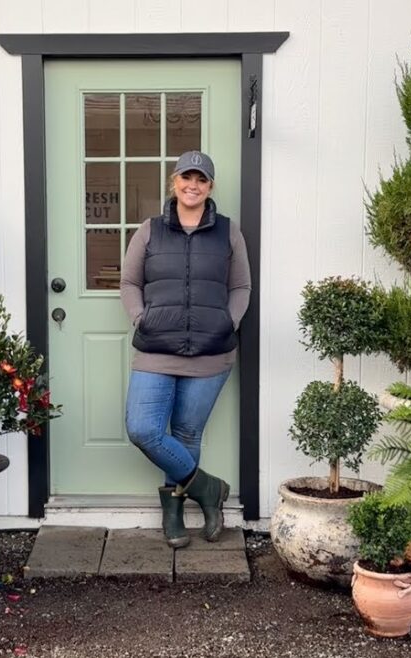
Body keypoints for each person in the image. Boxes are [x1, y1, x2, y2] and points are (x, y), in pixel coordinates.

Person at [120, 150, 251, 549]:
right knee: (144, 429)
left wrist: (228, 322)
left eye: (202, 179)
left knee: (187, 432)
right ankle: (208, 489)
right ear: (173, 182)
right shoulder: (149, 230)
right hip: (156, 348)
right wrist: (141, 318)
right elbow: (129, 283)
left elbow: (240, 287)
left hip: (212, 351)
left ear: (210, 186)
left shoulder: (228, 232)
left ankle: (174, 513)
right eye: (186, 177)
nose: (193, 185)